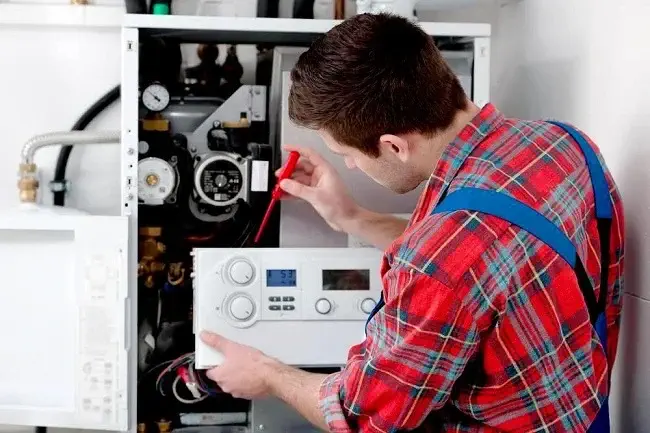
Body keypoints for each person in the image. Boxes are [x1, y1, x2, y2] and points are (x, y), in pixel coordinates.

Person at [200, 12, 625, 433]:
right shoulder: (565, 145)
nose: (347, 163)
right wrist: (351, 217)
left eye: (347, 153)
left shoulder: (441, 264)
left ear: (393, 146)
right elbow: (487, 266)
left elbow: (363, 415)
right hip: (584, 412)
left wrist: (268, 374)